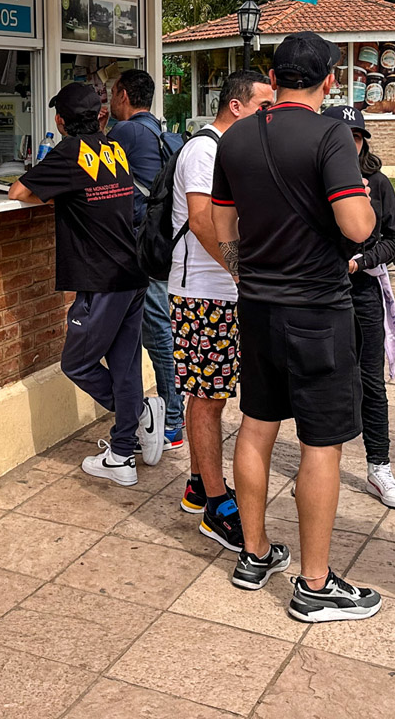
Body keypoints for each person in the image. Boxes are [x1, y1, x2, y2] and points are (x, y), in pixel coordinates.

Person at [212, 32, 383, 623]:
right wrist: (366, 205)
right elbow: (357, 226)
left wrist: (245, 275)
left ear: (276, 75)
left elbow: (221, 223)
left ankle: (253, 553)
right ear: (329, 81)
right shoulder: (330, 133)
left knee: (257, 426)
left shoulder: (234, 138)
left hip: (256, 306)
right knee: (320, 443)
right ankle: (314, 583)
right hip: (317, 309)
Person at [8, 83, 165, 484]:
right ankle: (122, 456)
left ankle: (140, 415)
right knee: (126, 367)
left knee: (76, 363)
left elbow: (19, 191)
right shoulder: (112, 147)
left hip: (102, 280)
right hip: (131, 274)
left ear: (59, 121)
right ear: (99, 116)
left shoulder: (68, 153)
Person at [170, 70, 275, 551]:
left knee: (211, 394)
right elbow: (200, 219)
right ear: (236, 106)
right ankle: (216, 504)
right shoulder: (204, 150)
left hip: (226, 291)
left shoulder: (235, 150)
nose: (268, 114)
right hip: (204, 292)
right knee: (208, 398)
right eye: (262, 105)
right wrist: (239, 269)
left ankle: (198, 481)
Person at [323, 105, 395, 510]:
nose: (349, 144)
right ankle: (319, 466)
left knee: (370, 383)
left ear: (362, 141)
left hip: (363, 291)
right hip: (321, 293)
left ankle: (379, 464)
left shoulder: (378, 182)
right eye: (341, 136)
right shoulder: (312, 178)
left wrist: (363, 260)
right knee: (326, 381)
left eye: (355, 137)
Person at [110, 68, 186, 448]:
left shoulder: (123, 132)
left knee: (157, 331)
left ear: (123, 95)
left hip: (143, 245)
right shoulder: (161, 130)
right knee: (159, 326)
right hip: (165, 243)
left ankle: (173, 418)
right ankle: (171, 412)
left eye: (111, 93)